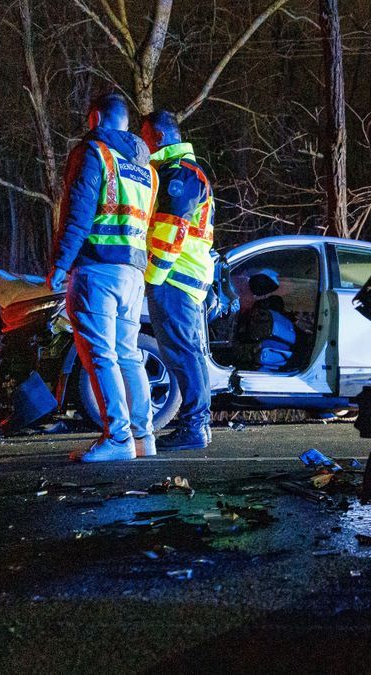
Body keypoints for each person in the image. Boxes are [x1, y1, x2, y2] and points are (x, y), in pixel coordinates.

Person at [47, 93, 156, 462]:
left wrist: (61, 265)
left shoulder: (93, 153)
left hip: (96, 270)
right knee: (128, 354)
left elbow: (77, 216)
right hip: (133, 273)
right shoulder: (146, 168)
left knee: (100, 355)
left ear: (95, 118)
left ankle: (118, 438)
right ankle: (144, 437)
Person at [140, 111, 216, 451]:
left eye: (143, 138)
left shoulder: (178, 174)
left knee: (183, 353)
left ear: (157, 138)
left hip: (175, 276)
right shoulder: (183, 172)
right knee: (187, 352)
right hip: (184, 275)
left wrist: (152, 278)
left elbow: (170, 232)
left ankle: (195, 427)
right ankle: (197, 424)